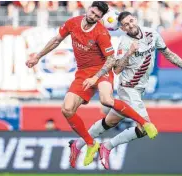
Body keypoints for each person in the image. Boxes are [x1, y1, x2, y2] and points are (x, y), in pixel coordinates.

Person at [25, 2, 156, 167]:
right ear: (89, 9)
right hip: (82, 73)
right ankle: (90, 143)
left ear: (101, 18)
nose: (93, 16)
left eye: (97, 16)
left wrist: (96, 77)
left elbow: (111, 60)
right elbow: (56, 39)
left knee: (106, 100)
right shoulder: (73, 23)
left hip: (102, 71)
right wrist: (37, 56)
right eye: (93, 12)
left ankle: (145, 123)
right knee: (67, 109)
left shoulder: (101, 33)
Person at [72, 11, 182, 169]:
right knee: (144, 128)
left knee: (110, 121)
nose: (130, 26)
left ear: (135, 19)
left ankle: (78, 144)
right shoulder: (124, 43)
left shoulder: (152, 34)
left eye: (130, 22)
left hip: (139, 90)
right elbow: (117, 70)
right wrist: (129, 53)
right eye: (126, 25)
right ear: (122, 28)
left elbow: (169, 54)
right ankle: (107, 146)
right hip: (128, 89)